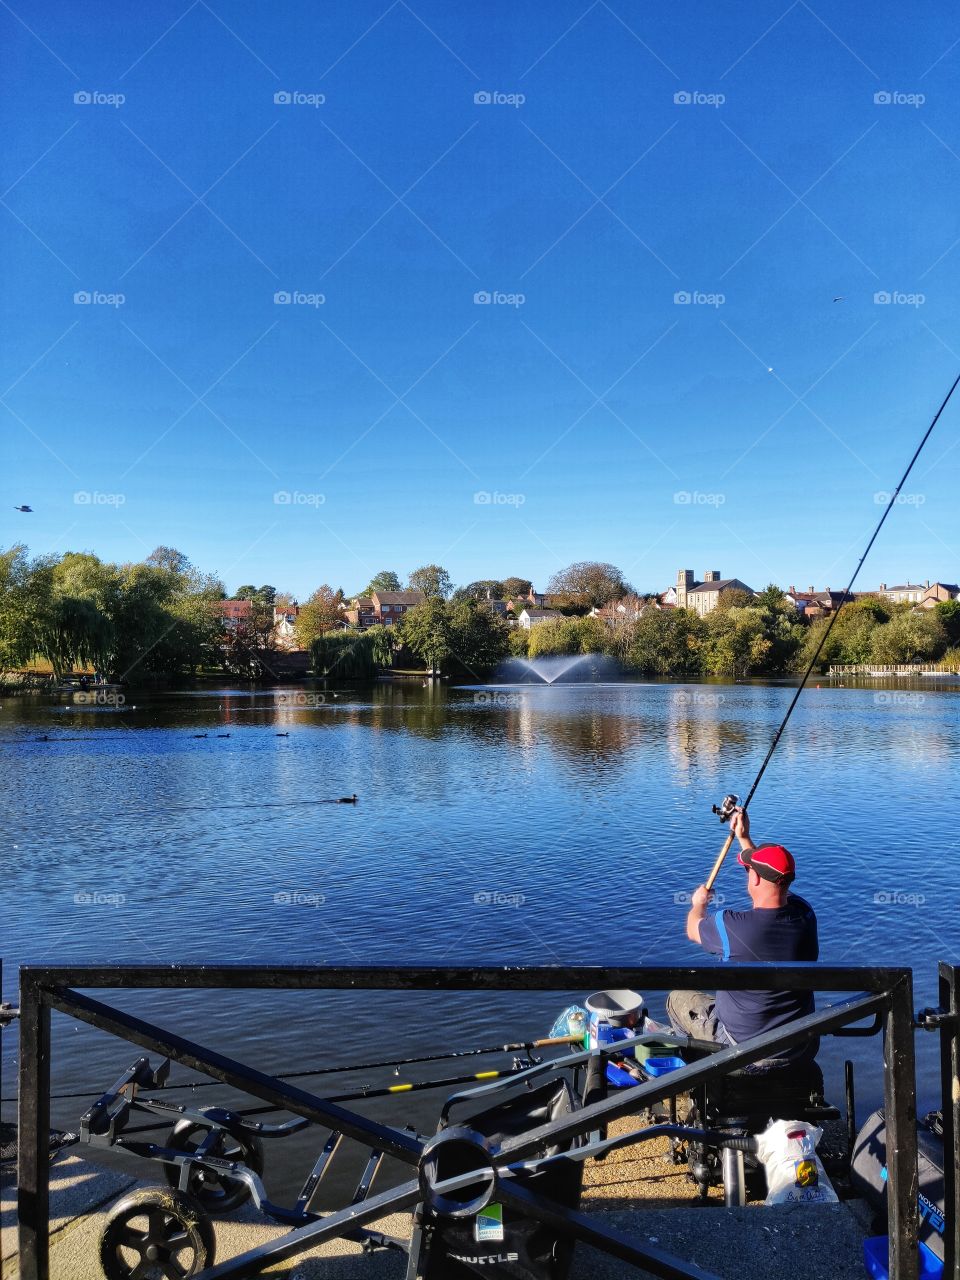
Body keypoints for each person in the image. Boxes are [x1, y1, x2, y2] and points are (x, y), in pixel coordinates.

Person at [667, 809, 819, 1068]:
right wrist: (744, 837)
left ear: (755, 877)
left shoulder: (731, 926)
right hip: (800, 1047)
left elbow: (693, 929)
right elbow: (771, 877)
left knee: (676, 999)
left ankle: (698, 1075)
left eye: (749, 870)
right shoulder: (805, 914)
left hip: (745, 1051)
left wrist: (698, 904)